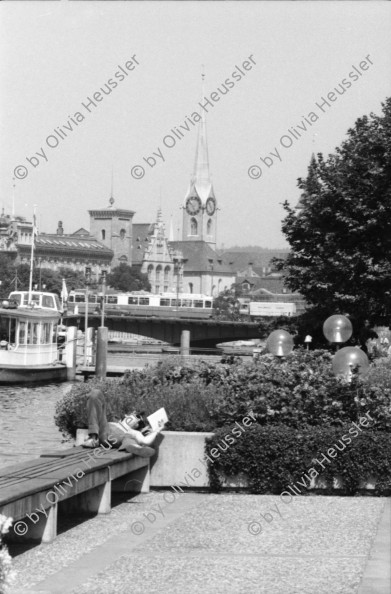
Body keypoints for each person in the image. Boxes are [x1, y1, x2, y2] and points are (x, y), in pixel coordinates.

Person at [83, 388, 162, 457]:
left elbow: (145, 441)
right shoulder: (114, 422)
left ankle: (136, 448)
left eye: (140, 423)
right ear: (126, 416)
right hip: (104, 432)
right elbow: (97, 415)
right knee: (96, 393)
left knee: (129, 441)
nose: (137, 420)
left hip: (121, 437)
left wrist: (157, 430)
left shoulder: (132, 432)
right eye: (136, 416)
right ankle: (93, 438)